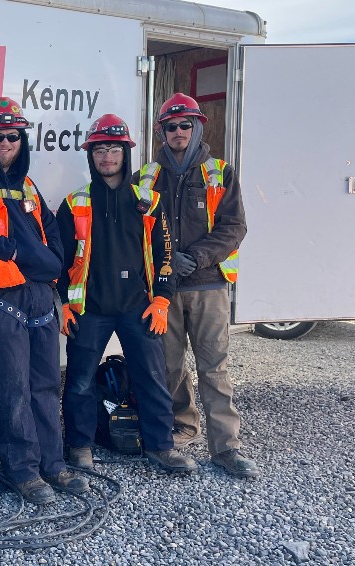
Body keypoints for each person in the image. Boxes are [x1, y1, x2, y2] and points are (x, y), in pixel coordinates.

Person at [0, 97, 89, 504]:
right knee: (11, 388)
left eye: (12, 136)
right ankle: (24, 472)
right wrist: (16, 251)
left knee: (46, 385)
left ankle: (54, 465)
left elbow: (53, 238)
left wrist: (48, 265)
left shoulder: (28, 186)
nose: (5, 142)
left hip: (40, 299)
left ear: (21, 140)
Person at [56, 113, 197, 474]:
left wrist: (162, 299)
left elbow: (165, 252)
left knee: (152, 377)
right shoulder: (75, 203)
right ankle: (79, 447)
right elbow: (61, 259)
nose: (107, 157)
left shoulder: (148, 201)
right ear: (90, 155)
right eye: (99, 150)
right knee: (80, 382)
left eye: (114, 149)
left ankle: (160, 447)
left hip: (139, 307)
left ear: (125, 153)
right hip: (90, 309)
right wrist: (65, 305)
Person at [134, 93, 256, 478]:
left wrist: (198, 257)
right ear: (162, 132)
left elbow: (234, 227)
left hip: (207, 286)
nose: (179, 132)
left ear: (198, 126)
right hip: (163, 291)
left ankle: (226, 448)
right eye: (171, 126)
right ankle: (181, 428)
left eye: (185, 124)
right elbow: (137, 231)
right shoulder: (146, 177)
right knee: (167, 366)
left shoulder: (220, 172)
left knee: (213, 367)